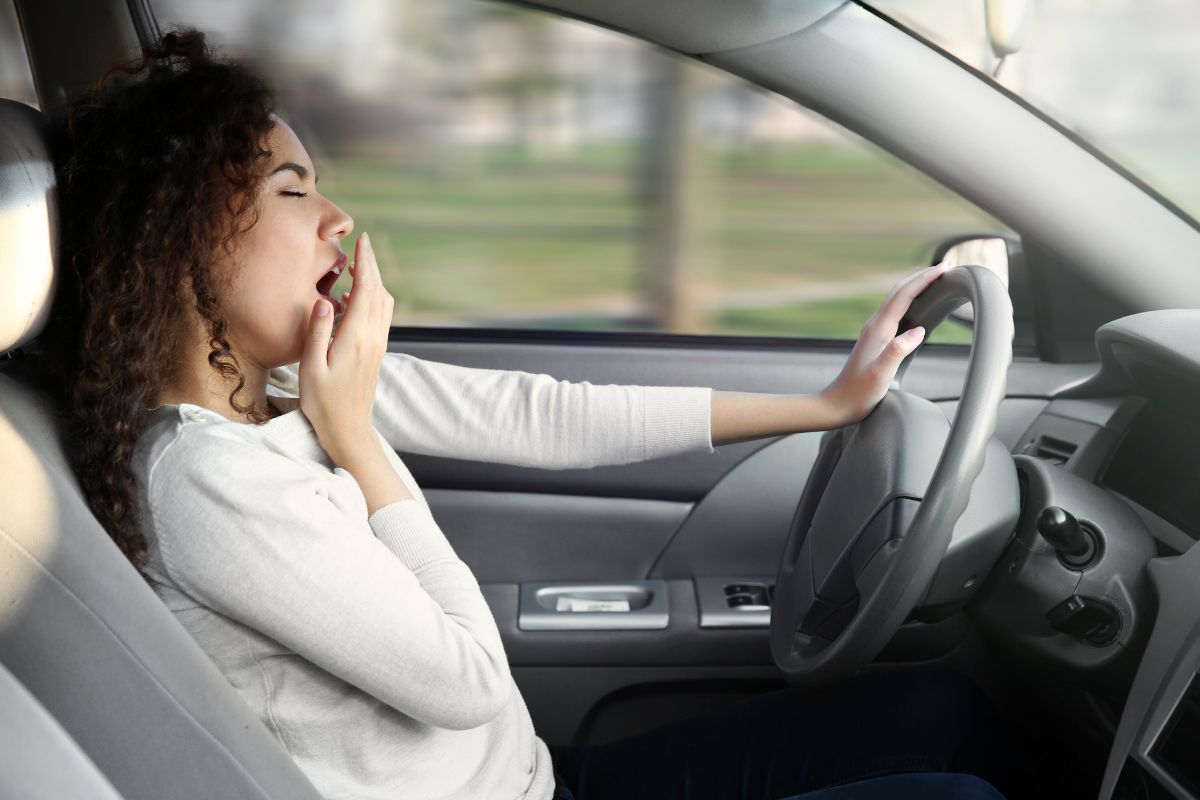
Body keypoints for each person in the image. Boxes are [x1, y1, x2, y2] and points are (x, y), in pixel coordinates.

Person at [39, 28, 1026, 800]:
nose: (337, 217)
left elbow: (538, 413)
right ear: (174, 241)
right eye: (292, 188)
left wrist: (822, 405)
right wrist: (358, 441)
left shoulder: (289, 384)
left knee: (943, 704)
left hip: (541, 775)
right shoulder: (207, 477)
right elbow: (465, 680)